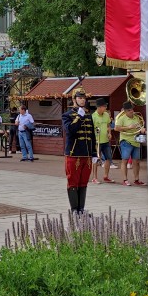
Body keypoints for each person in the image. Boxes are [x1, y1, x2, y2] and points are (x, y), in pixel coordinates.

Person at [62, 88, 96, 216]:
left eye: (83, 98)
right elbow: (70, 131)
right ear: (74, 99)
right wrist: (79, 117)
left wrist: (93, 153)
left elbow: (91, 135)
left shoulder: (88, 116)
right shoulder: (67, 115)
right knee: (73, 182)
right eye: (79, 97)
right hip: (74, 153)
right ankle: (74, 210)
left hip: (86, 154)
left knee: (83, 182)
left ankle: (81, 209)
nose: (82, 100)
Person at [114, 102, 145, 186]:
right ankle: (125, 179)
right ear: (125, 111)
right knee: (125, 160)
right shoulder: (121, 118)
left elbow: (139, 126)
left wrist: (142, 129)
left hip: (136, 141)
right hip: (126, 141)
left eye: (132, 109)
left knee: (136, 161)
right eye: (129, 110)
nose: (131, 111)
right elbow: (116, 128)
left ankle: (136, 179)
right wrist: (128, 127)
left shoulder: (136, 117)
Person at [92, 99, 115, 184]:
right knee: (95, 159)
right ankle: (94, 177)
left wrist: (109, 133)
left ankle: (106, 176)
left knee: (108, 158)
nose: (105, 108)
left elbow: (108, 125)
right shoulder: (93, 116)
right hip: (97, 141)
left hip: (105, 141)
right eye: (104, 106)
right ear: (99, 107)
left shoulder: (106, 115)